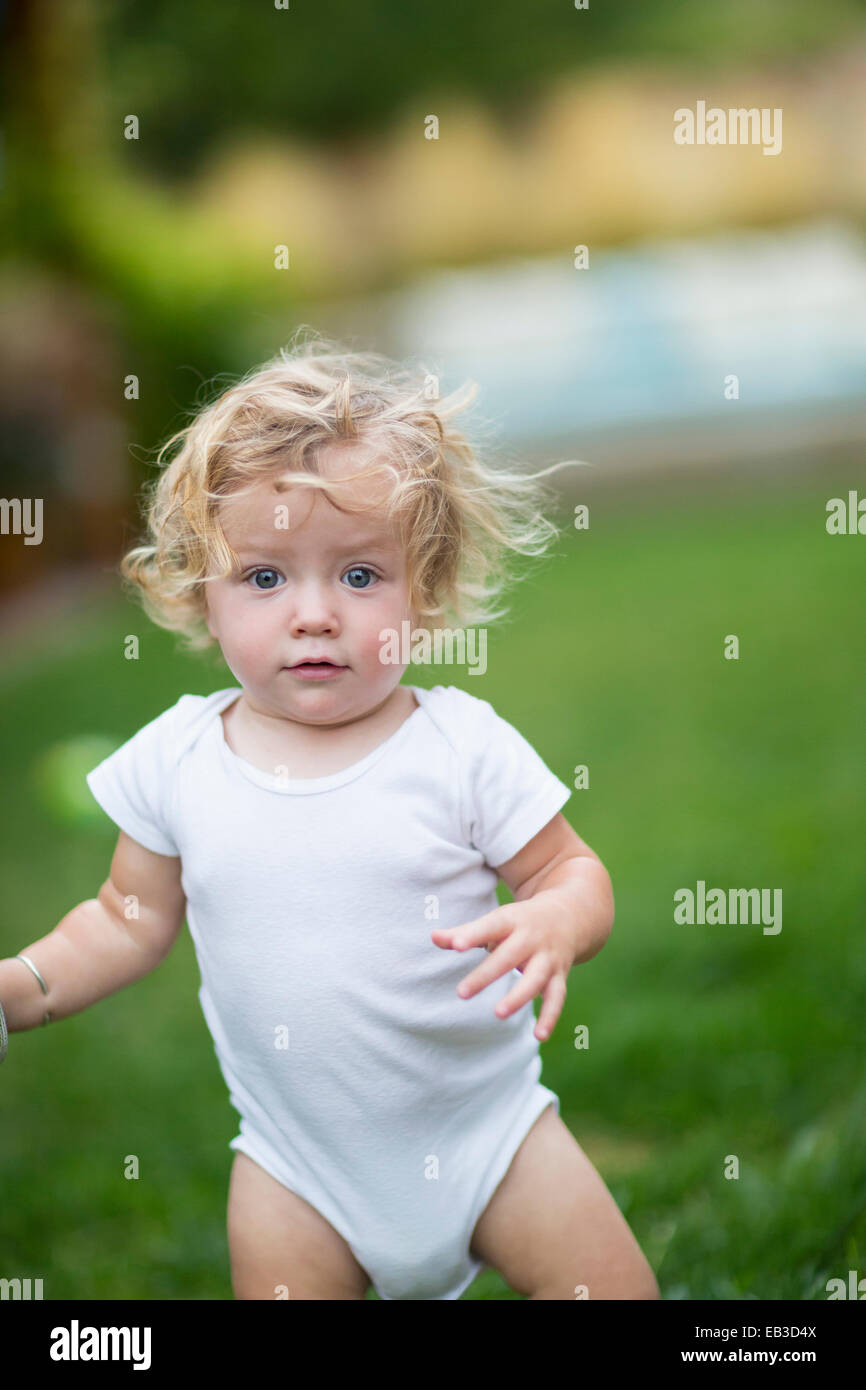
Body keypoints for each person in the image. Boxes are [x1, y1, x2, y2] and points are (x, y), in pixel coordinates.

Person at [0, 330, 660, 1302]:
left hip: (491, 1138)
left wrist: (555, 917)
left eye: (358, 576)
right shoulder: (179, 759)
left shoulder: (459, 747)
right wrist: (21, 988)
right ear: (204, 596)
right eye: (265, 578)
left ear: (422, 595)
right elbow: (123, 919)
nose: (313, 614)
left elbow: (573, 873)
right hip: (293, 1170)